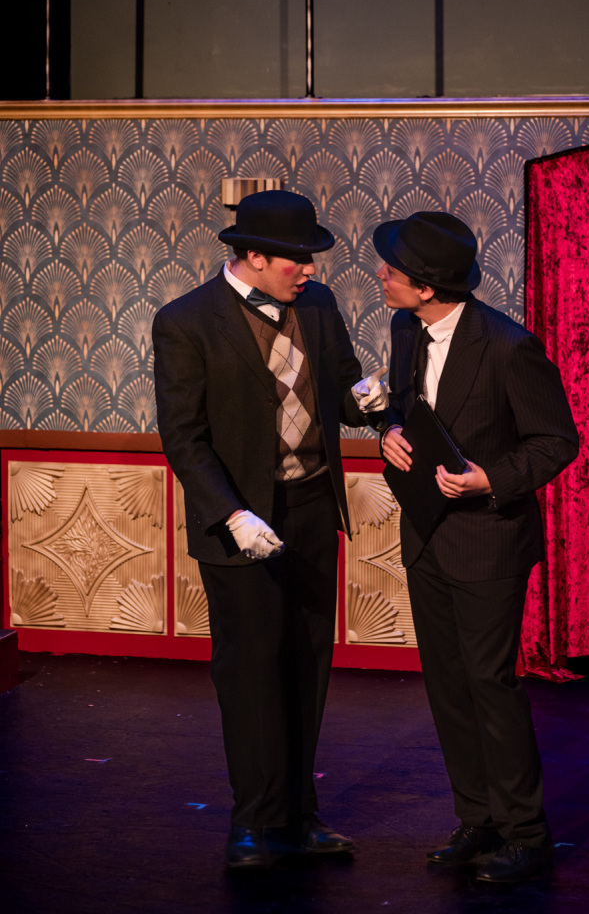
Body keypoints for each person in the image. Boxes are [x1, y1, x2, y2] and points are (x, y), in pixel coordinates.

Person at [152, 190, 380, 870]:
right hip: (240, 519)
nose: (308, 270)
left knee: (305, 664)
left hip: (311, 509)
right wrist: (231, 514)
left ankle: (298, 817)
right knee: (251, 670)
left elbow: (340, 388)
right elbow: (184, 437)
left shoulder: (319, 305)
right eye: (296, 260)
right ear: (253, 256)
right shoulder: (186, 321)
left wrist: (366, 399)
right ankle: (253, 823)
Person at [375, 211, 579, 883]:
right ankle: (477, 818)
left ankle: (526, 834)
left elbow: (556, 441)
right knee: (447, 685)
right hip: (426, 534)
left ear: (428, 286)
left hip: (488, 539)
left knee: (489, 684)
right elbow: (405, 407)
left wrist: (489, 479)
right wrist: (389, 432)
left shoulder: (507, 346)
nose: (381, 276)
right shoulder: (405, 329)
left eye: (393, 270)